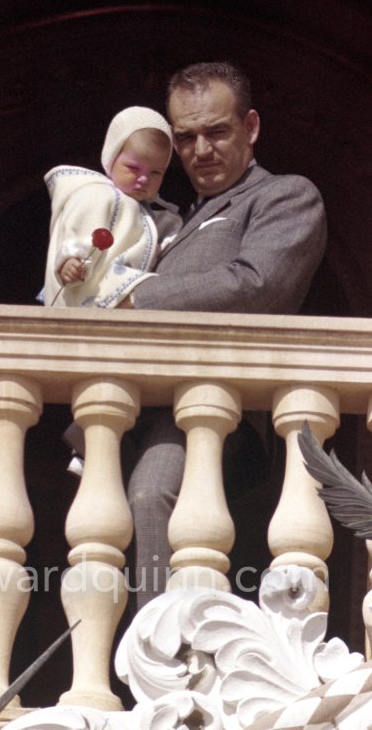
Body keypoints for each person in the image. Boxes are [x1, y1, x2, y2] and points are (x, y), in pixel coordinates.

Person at [120, 61, 327, 607]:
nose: (200, 150)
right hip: (133, 406)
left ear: (251, 127)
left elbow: (257, 285)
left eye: (217, 132)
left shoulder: (286, 195)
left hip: (211, 406)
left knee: (152, 493)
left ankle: (162, 671)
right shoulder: (171, 216)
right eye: (185, 137)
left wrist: (134, 297)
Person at [42, 106, 182, 309]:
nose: (143, 179)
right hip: (91, 288)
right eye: (133, 168)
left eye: (155, 173)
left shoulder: (147, 212)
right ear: (111, 157)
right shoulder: (98, 195)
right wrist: (71, 260)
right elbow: (79, 228)